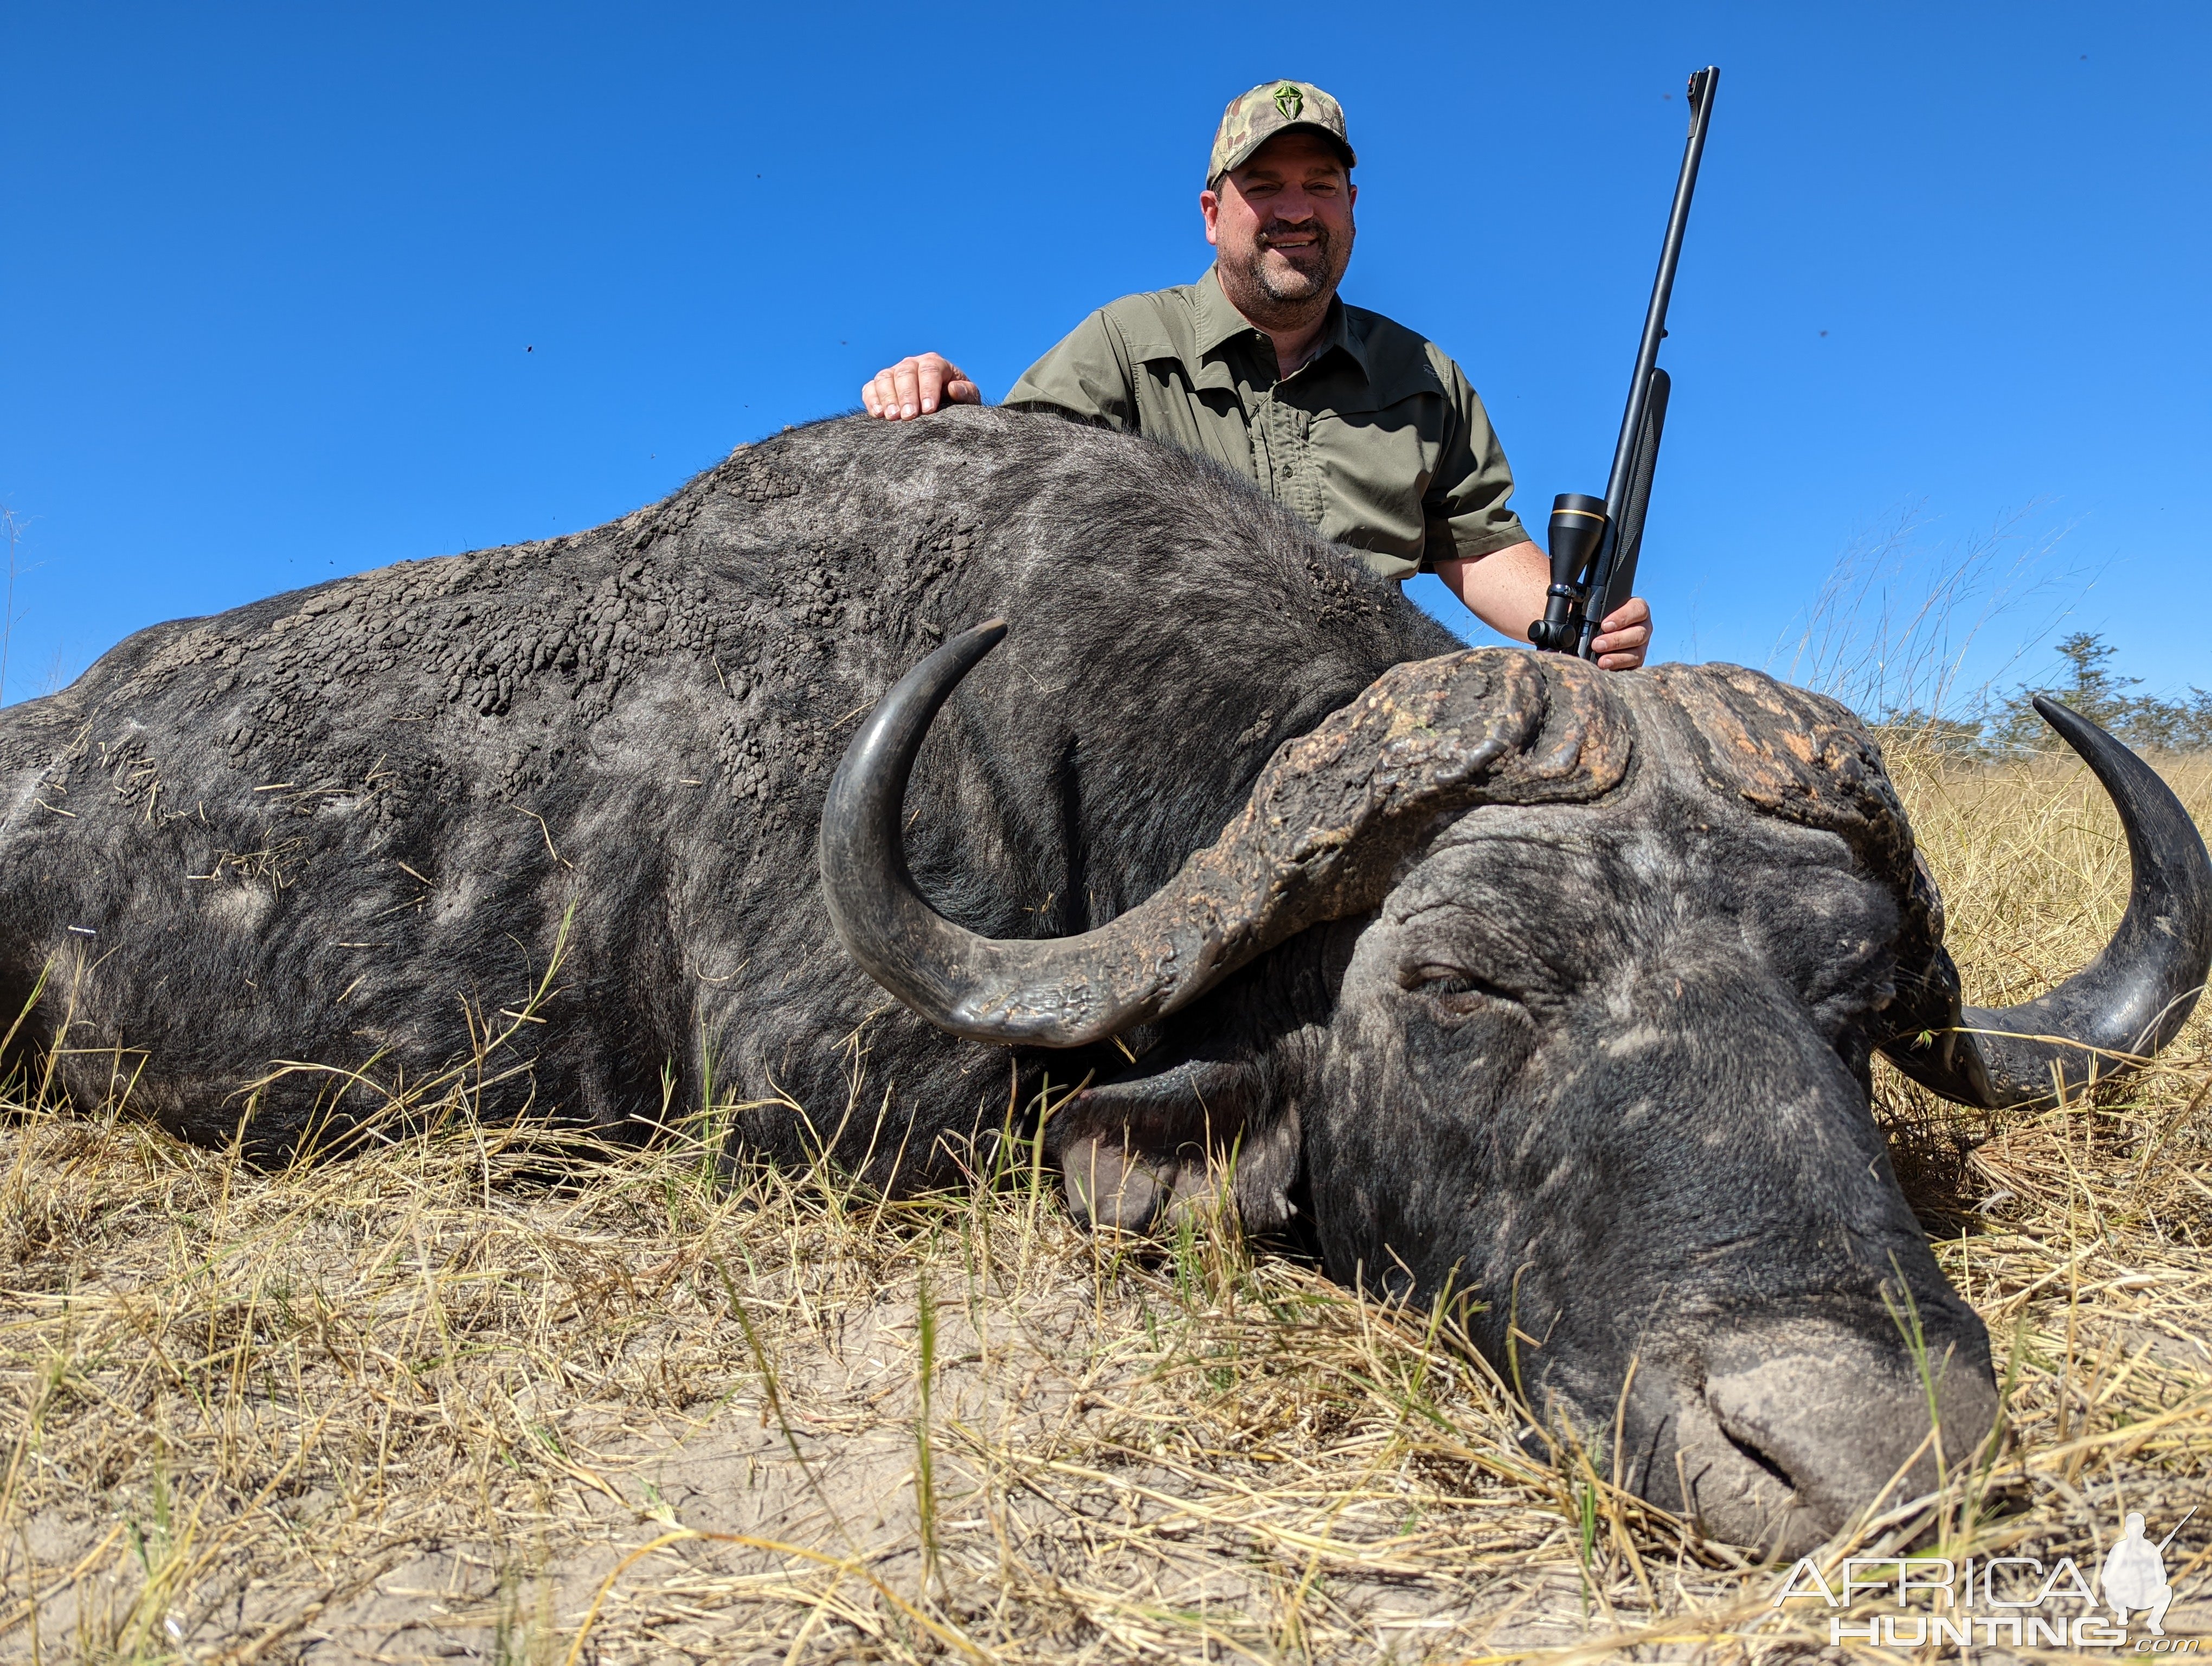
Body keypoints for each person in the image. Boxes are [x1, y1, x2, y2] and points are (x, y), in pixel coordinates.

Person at [859, 79, 1652, 670]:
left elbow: (1476, 547)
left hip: (1376, 707)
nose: (1296, 210)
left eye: (1320, 186)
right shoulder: (1125, 341)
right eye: (1264, 186)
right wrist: (955, 411)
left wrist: (1582, 618)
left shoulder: (1423, 375)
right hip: (1177, 709)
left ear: (1351, 205)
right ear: (1212, 216)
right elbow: (1021, 486)